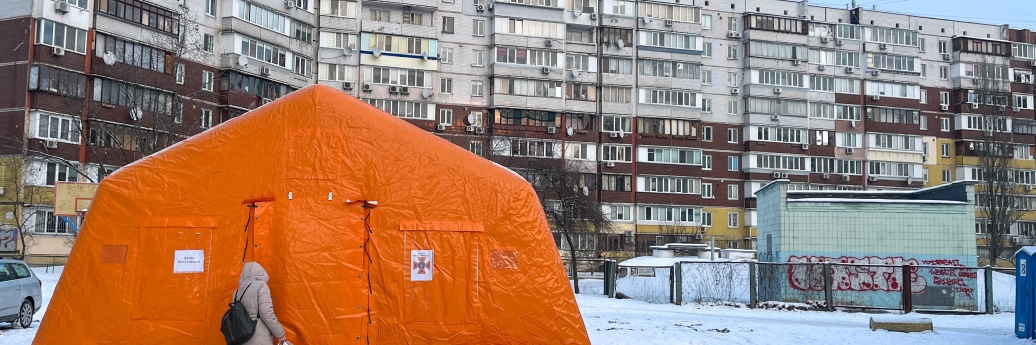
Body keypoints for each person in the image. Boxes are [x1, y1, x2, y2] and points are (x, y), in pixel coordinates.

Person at [235, 262, 287, 345]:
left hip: (242, 336)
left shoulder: (237, 291)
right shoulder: (261, 286)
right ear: (260, 272)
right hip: (259, 336)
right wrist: (280, 334)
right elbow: (266, 313)